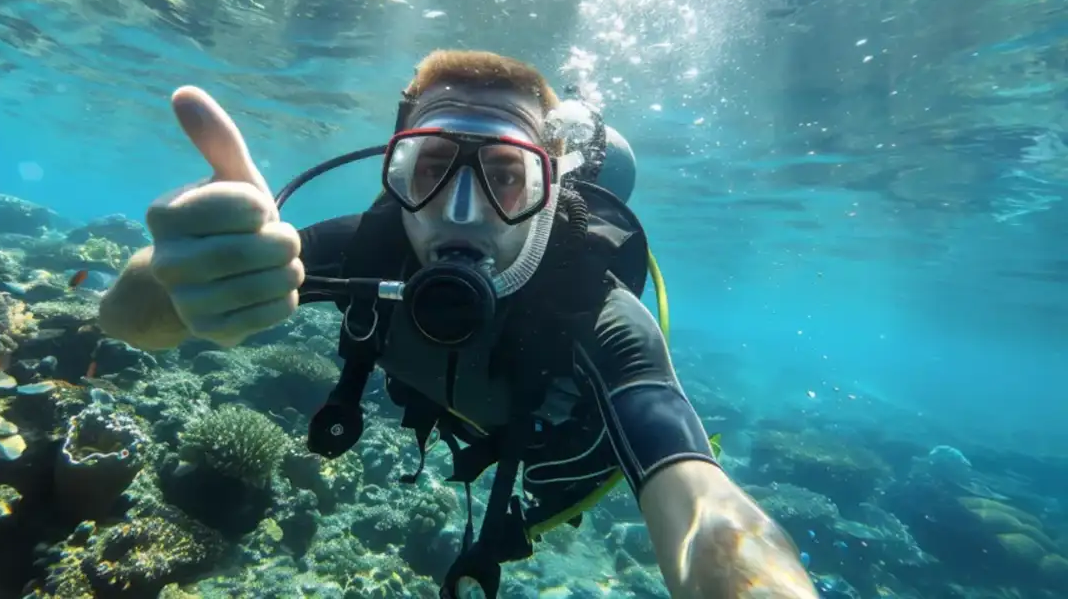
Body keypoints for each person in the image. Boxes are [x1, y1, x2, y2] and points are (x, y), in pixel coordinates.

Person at [99, 50, 818, 599]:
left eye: (506, 175)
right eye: (433, 167)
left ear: (548, 192)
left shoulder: (596, 313)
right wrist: (167, 281)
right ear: (397, 176)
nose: (463, 211)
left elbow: (700, 506)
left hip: (555, 466)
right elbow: (132, 322)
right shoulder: (358, 250)